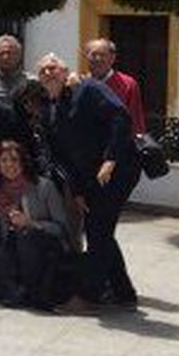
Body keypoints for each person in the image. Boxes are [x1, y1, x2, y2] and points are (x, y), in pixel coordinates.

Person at [38, 53, 142, 314]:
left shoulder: (88, 89)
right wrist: (78, 191)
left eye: (53, 68)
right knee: (101, 231)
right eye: (43, 71)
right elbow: (65, 157)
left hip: (118, 171)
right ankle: (123, 293)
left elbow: (121, 117)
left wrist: (110, 159)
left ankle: (90, 296)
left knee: (97, 231)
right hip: (90, 178)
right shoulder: (53, 108)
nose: (48, 73)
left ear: (65, 71)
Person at [0, 141, 72, 309]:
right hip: (10, 245)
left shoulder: (43, 186)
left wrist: (31, 223)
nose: (9, 165)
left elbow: (62, 228)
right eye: (4, 161)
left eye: (14, 160)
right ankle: (5, 286)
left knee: (26, 234)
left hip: (43, 245)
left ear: (23, 162)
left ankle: (33, 290)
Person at [85, 38, 147, 134]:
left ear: (112, 58)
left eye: (103, 55)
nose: (98, 59)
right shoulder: (79, 84)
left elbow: (135, 120)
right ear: (86, 57)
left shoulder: (128, 84)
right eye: (93, 55)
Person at [0, 35, 30, 105]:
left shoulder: (31, 82)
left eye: (9, 53)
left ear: (19, 55)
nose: (5, 57)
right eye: (1, 53)